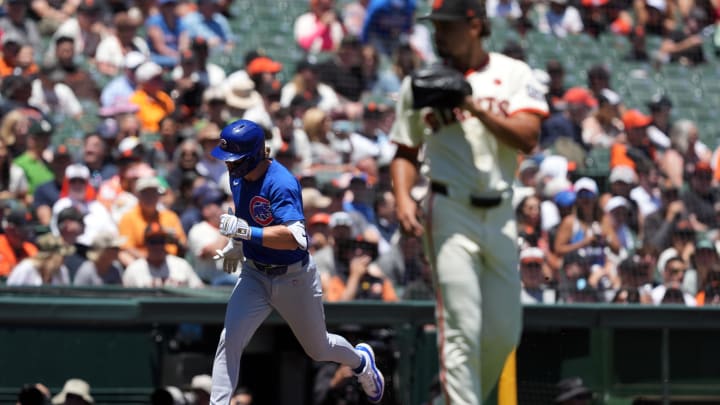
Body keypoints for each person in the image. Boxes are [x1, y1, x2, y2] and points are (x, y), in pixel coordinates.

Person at [389, 0, 548, 403]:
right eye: (436, 26)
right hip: (449, 210)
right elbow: (405, 150)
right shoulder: (421, 84)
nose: (438, 35)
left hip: (501, 213)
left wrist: (471, 105)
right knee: (461, 325)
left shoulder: (514, 74)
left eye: (447, 26)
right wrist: (403, 197)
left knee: (502, 333)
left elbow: (528, 136)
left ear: (474, 25)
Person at [208, 119, 385, 403]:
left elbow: (296, 238)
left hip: (293, 277)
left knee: (319, 349)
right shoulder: (239, 175)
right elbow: (245, 215)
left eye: (235, 159)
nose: (229, 165)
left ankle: (360, 361)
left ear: (253, 155)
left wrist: (245, 233)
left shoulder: (281, 182)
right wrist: (236, 244)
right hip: (254, 275)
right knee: (229, 341)